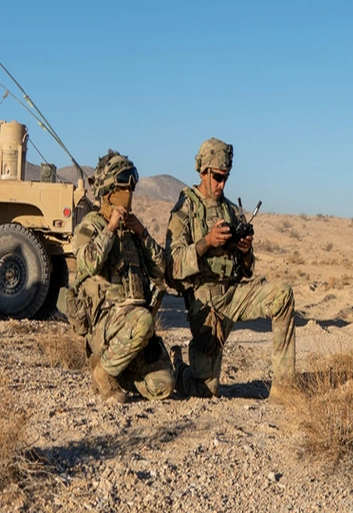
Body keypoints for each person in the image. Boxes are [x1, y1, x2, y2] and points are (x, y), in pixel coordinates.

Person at [165, 137, 297, 400]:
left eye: (225, 177)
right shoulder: (186, 208)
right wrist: (206, 242)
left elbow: (247, 270)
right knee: (206, 390)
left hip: (234, 294)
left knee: (282, 295)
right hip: (206, 304)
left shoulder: (231, 210)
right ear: (203, 172)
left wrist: (245, 251)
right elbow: (172, 267)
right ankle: (178, 366)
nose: (222, 184)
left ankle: (285, 389)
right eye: (217, 177)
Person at [73, 151, 175, 404]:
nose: (128, 194)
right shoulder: (91, 225)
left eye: (131, 188)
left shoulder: (132, 230)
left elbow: (160, 269)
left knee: (164, 386)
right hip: (107, 324)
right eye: (122, 188)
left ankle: (118, 372)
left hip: (134, 328)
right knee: (143, 320)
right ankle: (104, 372)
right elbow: (86, 263)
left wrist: (143, 234)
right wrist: (109, 230)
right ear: (108, 191)